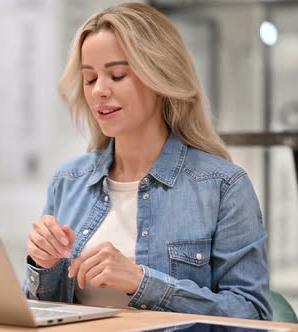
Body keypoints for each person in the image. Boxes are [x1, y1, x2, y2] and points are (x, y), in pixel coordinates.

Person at [23, 2, 271, 320]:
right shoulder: (69, 181)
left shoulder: (223, 186)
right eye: (89, 79)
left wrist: (142, 283)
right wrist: (43, 267)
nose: (99, 90)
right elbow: (40, 310)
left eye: (117, 75)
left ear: (160, 77)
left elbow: (253, 314)